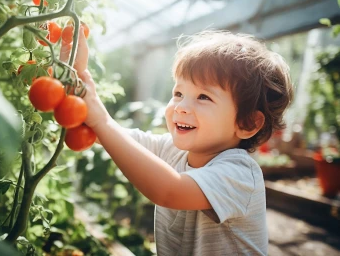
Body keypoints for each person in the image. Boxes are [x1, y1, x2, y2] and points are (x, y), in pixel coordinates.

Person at [62, 29, 294, 255]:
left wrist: (101, 121)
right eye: (178, 94)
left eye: (203, 97)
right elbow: (119, 137)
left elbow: (169, 191)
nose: (181, 107)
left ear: (247, 123)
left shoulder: (240, 174)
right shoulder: (172, 149)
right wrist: (79, 77)